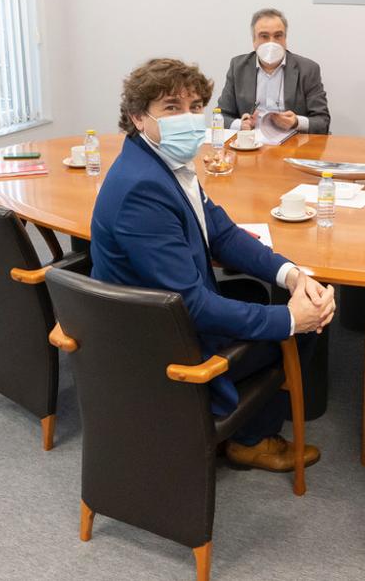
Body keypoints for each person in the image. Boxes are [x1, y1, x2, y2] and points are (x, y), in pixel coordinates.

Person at [90, 58, 335, 472]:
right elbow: (194, 307)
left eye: (195, 106)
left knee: (267, 295)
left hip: (167, 309)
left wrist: (292, 274)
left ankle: (247, 423)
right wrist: (290, 320)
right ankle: (250, 440)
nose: (188, 118)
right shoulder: (141, 190)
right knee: (302, 328)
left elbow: (221, 233)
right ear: (137, 117)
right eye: (171, 107)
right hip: (158, 339)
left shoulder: (161, 164)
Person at [216, 8, 331, 135]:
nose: (271, 42)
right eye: (264, 36)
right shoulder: (238, 67)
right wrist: (242, 125)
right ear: (254, 41)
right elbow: (220, 116)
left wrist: (296, 122)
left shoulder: (308, 69)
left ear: (285, 39)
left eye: (278, 36)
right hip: (251, 142)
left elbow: (322, 121)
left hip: (293, 143)